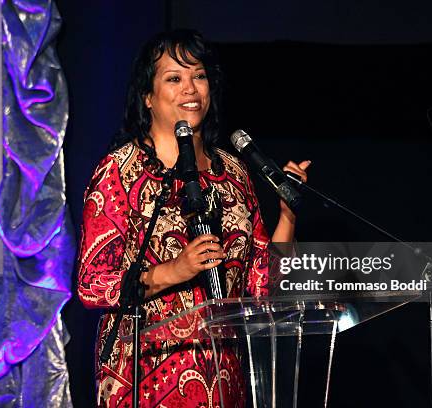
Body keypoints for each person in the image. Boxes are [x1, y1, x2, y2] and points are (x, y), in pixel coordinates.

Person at [77, 29, 310, 408]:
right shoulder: (121, 170)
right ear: (147, 97)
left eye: (198, 76)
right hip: (144, 379)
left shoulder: (233, 172)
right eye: (174, 78)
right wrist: (174, 270)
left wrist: (287, 213)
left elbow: (263, 288)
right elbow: (92, 284)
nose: (190, 88)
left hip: (224, 377)